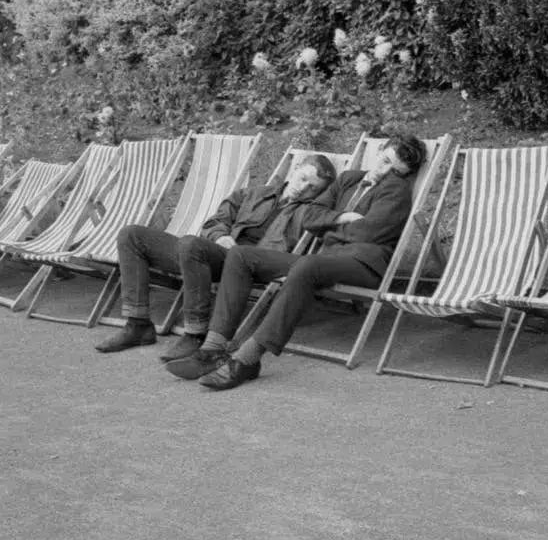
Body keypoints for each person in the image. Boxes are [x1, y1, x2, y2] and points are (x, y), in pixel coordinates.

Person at [164, 134, 427, 390]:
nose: (384, 171)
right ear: (379, 152)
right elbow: (310, 217)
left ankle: (247, 360)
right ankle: (212, 349)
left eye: (395, 170)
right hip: (326, 259)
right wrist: (342, 218)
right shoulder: (349, 179)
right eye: (385, 161)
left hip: (363, 263)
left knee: (308, 265)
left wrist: (328, 225)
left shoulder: (396, 190)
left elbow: (367, 233)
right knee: (241, 255)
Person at [94, 153, 340, 358]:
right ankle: (138, 325)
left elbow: (319, 238)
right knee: (132, 235)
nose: (303, 188)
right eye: (303, 178)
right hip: (214, 255)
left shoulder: (310, 213)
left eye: (313, 188)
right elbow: (215, 222)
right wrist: (220, 236)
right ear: (294, 169)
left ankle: (196, 333)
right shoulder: (252, 194)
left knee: (191, 244)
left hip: (249, 265)